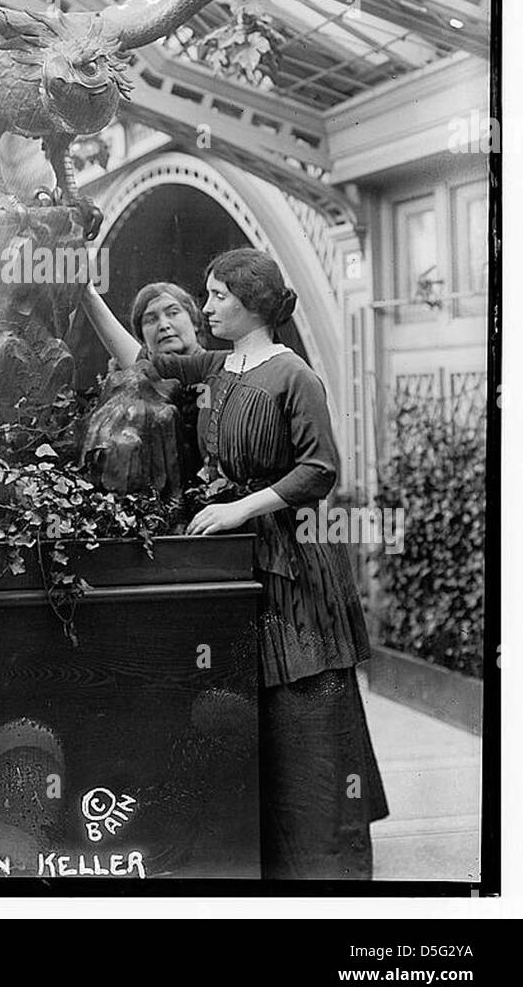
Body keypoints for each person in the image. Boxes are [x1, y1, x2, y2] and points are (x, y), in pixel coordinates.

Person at [81, 247, 388, 880]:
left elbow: (321, 469)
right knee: (256, 714)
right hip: (244, 561)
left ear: (250, 302)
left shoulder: (293, 374)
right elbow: (137, 359)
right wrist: (81, 289)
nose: (209, 306)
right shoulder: (220, 366)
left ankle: (327, 875)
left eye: (219, 295)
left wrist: (238, 509)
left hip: (296, 567)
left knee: (306, 708)